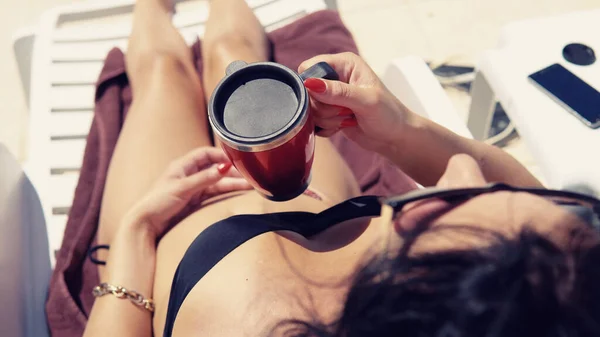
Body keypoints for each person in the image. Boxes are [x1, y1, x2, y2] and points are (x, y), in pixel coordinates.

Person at [82, 0, 600, 336]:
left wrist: (135, 236)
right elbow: (520, 197)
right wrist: (403, 131)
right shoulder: (569, 290)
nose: (462, 167)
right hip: (312, 197)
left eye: (441, 208)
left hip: (175, 217)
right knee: (235, 54)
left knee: (160, 74)